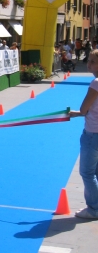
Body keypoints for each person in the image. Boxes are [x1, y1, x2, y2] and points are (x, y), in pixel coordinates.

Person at [70, 49, 98, 219]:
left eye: (93, 61)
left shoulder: (96, 83)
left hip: (93, 133)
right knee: (95, 172)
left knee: (87, 173)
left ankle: (94, 209)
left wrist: (77, 112)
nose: (89, 64)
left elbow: (84, 108)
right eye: (89, 60)